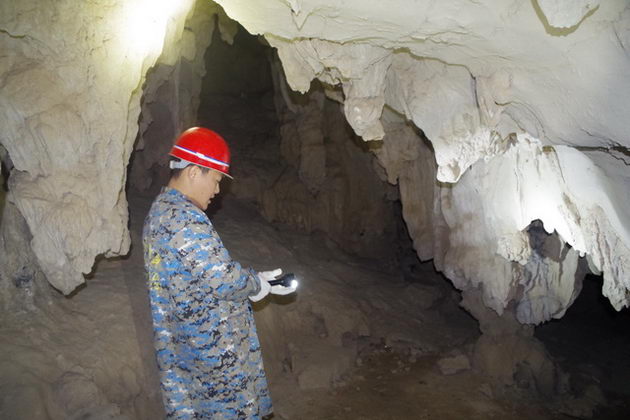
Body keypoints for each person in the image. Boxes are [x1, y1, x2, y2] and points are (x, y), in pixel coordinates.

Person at [142, 127, 296, 419]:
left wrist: (254, 280)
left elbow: (200, 274)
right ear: (192, 172)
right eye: (214, 180)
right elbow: (221, 278)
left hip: (185, 350)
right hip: (211, 358)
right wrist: (256, 283)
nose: (216, 190)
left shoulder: (160, 212)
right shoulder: (184, 218)